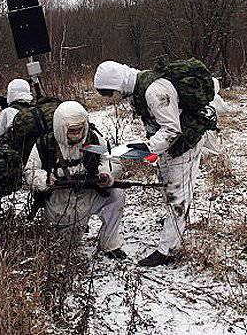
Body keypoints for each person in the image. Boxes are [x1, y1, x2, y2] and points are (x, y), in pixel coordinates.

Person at [94, 59, 220, 267]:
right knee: (166, 183)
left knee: (177, 193)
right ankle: (174, 221)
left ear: (116, 85)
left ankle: (167, 250)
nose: (108, 99)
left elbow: (171, 130)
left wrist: (148, 147)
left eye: (107, 93)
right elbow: (157, 124)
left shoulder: (153, 91)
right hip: (167, 145)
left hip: (185, 141)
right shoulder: (138, 88)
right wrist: (147, 147)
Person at [24, 101, 127, 259]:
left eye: (80, 130)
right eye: (72, 131)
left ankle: (109, 243)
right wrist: (45, 179)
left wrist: (105, 173)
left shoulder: (93, 138)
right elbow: (30, 172)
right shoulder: (45, 144)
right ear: (61, 128)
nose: (77, 135)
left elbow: (111, 159)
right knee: (67, 251)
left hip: (88, 194)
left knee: (117, 195)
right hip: (60, 201)